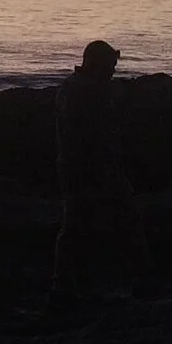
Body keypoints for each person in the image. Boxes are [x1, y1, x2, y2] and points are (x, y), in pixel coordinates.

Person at [51, 39, 150, 302]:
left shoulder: (79, 88)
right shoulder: (82, 92)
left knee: (84, 225)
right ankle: (69, 286)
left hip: (89, 168)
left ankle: (74, 285)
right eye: (110, 66)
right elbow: (89, 136)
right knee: (87, 225)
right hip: (88, 170)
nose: (113, 71)